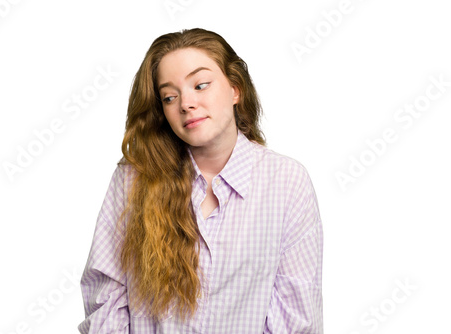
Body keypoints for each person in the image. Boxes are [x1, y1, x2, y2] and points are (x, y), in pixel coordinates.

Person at [78, 28, 323, 333]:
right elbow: (105, 296)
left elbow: (296, 316)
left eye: (201, 85)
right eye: (169, 96)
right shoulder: (133, 178)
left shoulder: (286, 182)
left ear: (235, 89)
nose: (186, 103)